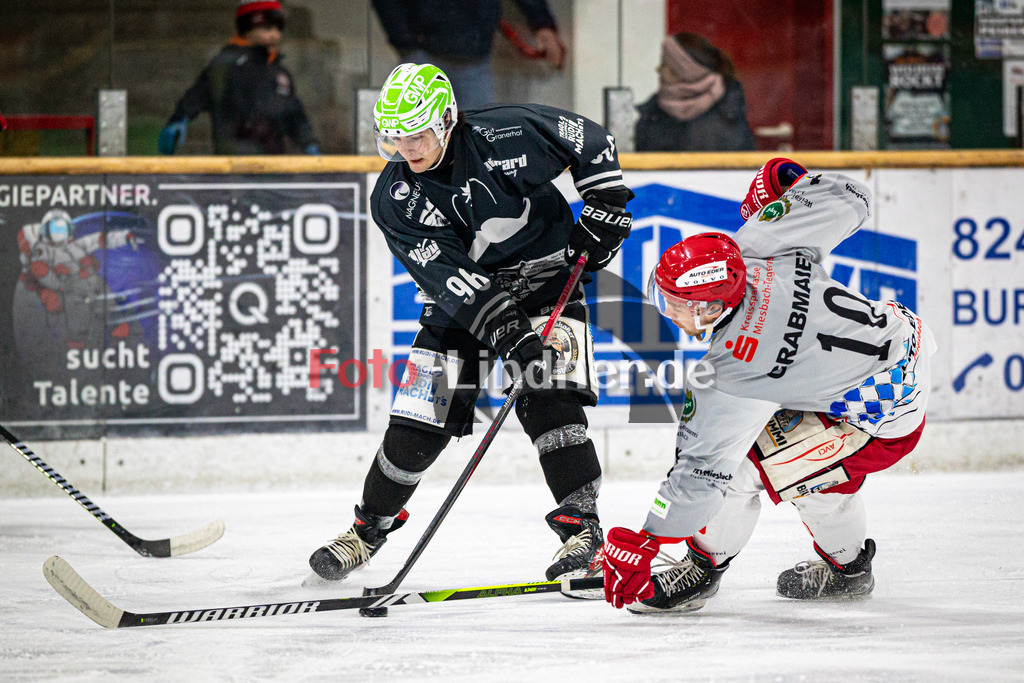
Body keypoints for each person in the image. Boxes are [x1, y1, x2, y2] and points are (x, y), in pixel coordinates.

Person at [308, 63, 634, 593]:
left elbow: (591, 141)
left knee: (551, 395)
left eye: (417, 135)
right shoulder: (394, 199)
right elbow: (453, 281)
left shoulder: (505, 133)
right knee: (418, 422)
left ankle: (583, 531)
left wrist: (606, 207)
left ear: (446, 120)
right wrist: (512, 335)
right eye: (394, 138)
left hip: (547, 281)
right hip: (463, 304)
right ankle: (367, 530)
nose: (406, 150)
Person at [602, 158, 935, 613]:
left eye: (676, 304)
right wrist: (793, 187)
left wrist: (648, 539)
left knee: (748, 469)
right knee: (806, 472)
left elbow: (702, 472)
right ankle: (849, 567)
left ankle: (702, 573)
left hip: (885, 408)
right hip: (902, 338)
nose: (668, 312)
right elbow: (852, 195)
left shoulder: (736, 369)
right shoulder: (756, 247)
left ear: (709, 308)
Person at [158, 0, 319, 155]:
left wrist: (308, 143)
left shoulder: (280, 73)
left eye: (278, 29)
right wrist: (180, 119)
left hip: (272, 162)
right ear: (248, 29)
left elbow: (295, 115)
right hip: (233, 160)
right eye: (267, 28)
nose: (274, 35)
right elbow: (197, 95)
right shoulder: (227, 65)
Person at [371, 1, 566, 112]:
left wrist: (542, 24)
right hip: (424, 54)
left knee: (476, 137)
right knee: (419, 136)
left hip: (475, 57)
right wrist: (406, 43)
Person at [634, 33, 755, 152]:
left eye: (665, 64)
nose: (658, 69)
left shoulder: (728, 116)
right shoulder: (652, 114)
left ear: (684, 72)